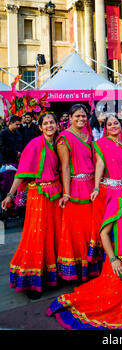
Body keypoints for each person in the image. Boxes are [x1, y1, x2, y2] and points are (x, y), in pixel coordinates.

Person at [46, 175, 122, 330]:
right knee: (108, 299)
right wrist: (113, 259)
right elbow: (104, 234)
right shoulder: (116, 206)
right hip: (120, 263)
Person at [1, 112, 62, 297]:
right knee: (37, 236)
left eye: (52, 122)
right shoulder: (34, 145)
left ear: (57, 125)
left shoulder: (58, 144)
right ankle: (31, 281)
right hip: (39, 196)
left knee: (53, 235)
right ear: (40, 127)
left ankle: (50, 276)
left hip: (55, 196)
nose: (50, 125)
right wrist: (10, 194)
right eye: (46, 123)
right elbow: (21, 173)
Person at [56, 104, 99, 282]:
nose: (81, 119)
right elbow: (65, 166)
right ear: (70, 118)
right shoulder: (64, 138)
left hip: (90, 186)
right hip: (75, 187)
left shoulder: (88, 137)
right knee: (77, 230)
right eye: (77, 116)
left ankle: (90, 267)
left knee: (91, 227)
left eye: (84, 116)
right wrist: (66, 192)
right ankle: (76, 270)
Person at [87, 114, 122, 264]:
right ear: (105, 128)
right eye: (110, 124)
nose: (113, 126)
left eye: (116, 123)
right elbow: (100, 165)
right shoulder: (101, 143)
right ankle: (110, 262)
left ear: (121, 126)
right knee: (110, 226)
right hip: (109, 191)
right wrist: (95, 187)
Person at [0, 115, 22, 202]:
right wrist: (14, 153)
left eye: (19, 125)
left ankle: (13, 202)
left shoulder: (18, 134)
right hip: (5, 162)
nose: (18, 126)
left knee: (14, 183)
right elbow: (1, 147)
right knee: (5, 183)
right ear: (11, 123)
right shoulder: (3, 133)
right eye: (17, 124)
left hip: (15, 162)